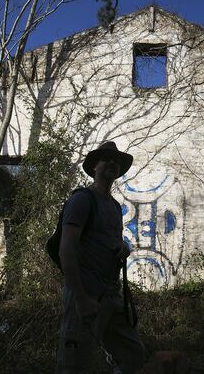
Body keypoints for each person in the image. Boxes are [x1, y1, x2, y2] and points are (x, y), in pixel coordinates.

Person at [55, 141, 145, 373]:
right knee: (75, 365)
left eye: (117, 160)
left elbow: (107, 240)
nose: (113, 163)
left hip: (111, 296)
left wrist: (122, 247)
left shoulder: (115, 207)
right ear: (95, 166)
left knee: (133, 355)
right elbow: (67, 249)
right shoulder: (82, 199)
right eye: (107, 158)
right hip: (86, 294)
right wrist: (81, 298)